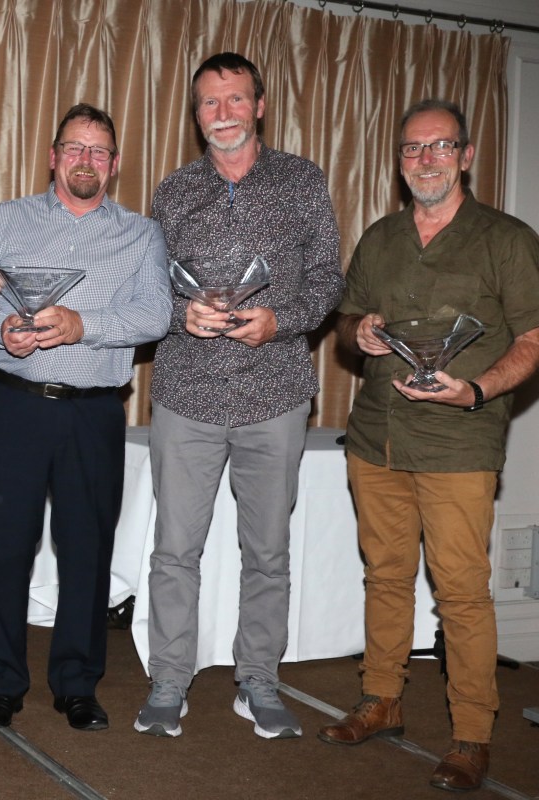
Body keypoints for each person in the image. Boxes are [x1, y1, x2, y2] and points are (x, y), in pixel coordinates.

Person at [317, 99, 539, 791]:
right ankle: (381, 699)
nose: (426, 159)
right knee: (384, 577)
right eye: (413, 148)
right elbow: (346, 321)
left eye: (441, 146)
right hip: (376, 437)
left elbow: (534, 338)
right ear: (399, 160)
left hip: (458, 443)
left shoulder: (507, 240)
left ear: (466, 155)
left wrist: (475, 390)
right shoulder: (381, 237)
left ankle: (472, 735)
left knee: (462, 593)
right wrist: (361, 331)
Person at [136, 52, 344, 740]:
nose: (222, 113)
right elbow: (148, 289)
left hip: (275, 393)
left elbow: (328, 279)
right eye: (208, 102)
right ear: (196, 114)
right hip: (186, 394)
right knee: (174, 551)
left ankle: (259, 680)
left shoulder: (302, 180)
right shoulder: (173, 191)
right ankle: (169, 680)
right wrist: (180, 314)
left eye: (234, 99)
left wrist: (280, 321)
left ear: (259, 106)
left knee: (269, 553)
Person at [0, 103, 171, 732]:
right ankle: (1, 686)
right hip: (12, 406)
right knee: (4, 550)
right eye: (74, 148)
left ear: (115, 164)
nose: (85, 160)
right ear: (53, 156)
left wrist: (83, 325)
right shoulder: (5, 220)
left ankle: (77, 685)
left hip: (92, 414)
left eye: (98, 151)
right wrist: (0, 329)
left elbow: (156, 315)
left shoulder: (141, 235)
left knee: (86, 552)